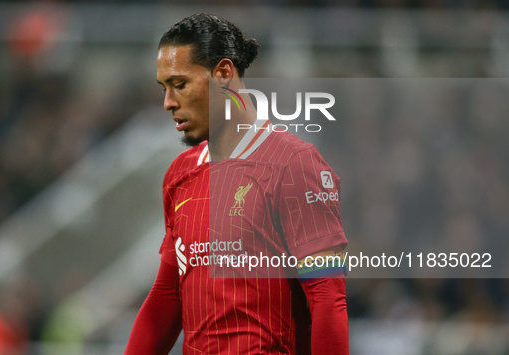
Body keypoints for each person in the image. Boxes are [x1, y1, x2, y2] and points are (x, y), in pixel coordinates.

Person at [125, 13, 348, 355]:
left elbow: (327, 296)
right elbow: (167, 296)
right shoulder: (180, 173)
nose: (168, 102)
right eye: (164, 88)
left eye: (180, 84)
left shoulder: (294, 164)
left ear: (224, 75)